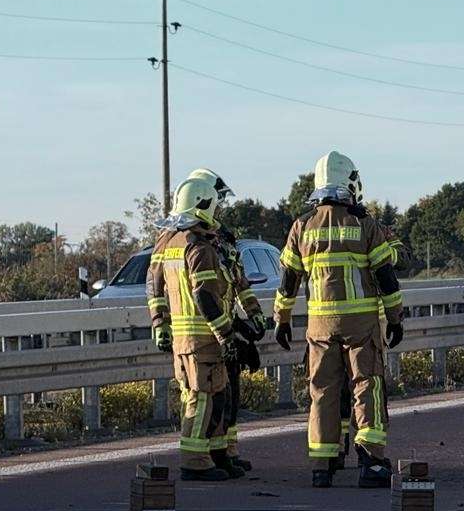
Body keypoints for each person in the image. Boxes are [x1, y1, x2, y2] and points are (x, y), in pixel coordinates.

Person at [274, 151, 406, 488]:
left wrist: (282, 319)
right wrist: (395, 318)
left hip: (320, 327)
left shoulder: (301, 227)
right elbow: (386, 277)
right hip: (360, 325)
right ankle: (371, 461)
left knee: (322, 391)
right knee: (367, 385)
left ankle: (323, 464)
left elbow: (288, 281)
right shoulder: (364, 225)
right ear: (350, 183)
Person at [147, 177, 251, 481]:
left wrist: (160, 323)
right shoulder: (199, 247)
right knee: (202, 398)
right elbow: (204, 295)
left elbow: (157, 285)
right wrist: (226, 334)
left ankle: (215, 455)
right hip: (203, 337)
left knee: (213, 395)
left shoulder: (173, 242)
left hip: (188, 337)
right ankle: (194, 461)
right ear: (203, 205)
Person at [185, 168, 270, 473]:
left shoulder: (220, 240)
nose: (220, 208)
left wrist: (251, 319)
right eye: (217, 201)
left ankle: (224, 452)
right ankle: (201, 457)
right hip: (201, 333)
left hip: (221, 326)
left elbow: (236, 282)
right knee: (206, 398)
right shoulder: (189, 242)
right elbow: (198, 294)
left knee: (226, 393)